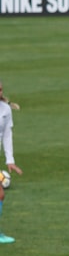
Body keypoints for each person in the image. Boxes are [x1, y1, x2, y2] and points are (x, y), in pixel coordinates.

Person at [0, 80, 23, 244]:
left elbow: (7, 135)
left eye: (0, 88)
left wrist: (10, 160)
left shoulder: (5, 109)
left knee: (0, 195)